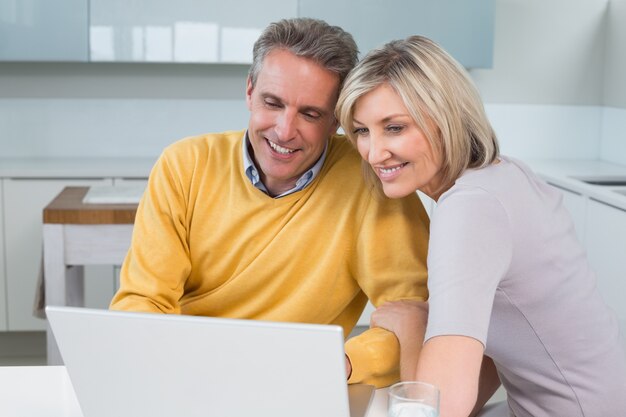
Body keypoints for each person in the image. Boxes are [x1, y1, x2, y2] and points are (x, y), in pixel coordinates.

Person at [109, 18, 430, 388]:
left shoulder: (370, 180)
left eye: (310, 114)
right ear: (249, 91)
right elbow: (142, 301)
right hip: (186, 373)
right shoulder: (184, 164)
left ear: (336, 121)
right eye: (272, 103)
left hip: (296, 383)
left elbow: (413, 316)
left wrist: (340, 364)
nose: (284, 130)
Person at [336, 35, 626, 416]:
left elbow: (439, 411)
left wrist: (412, 331)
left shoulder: (470, 209)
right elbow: (488, 362)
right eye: (361, 131)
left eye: (394, 128)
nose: (374, 153)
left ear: (445, 117)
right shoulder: (505, 174)